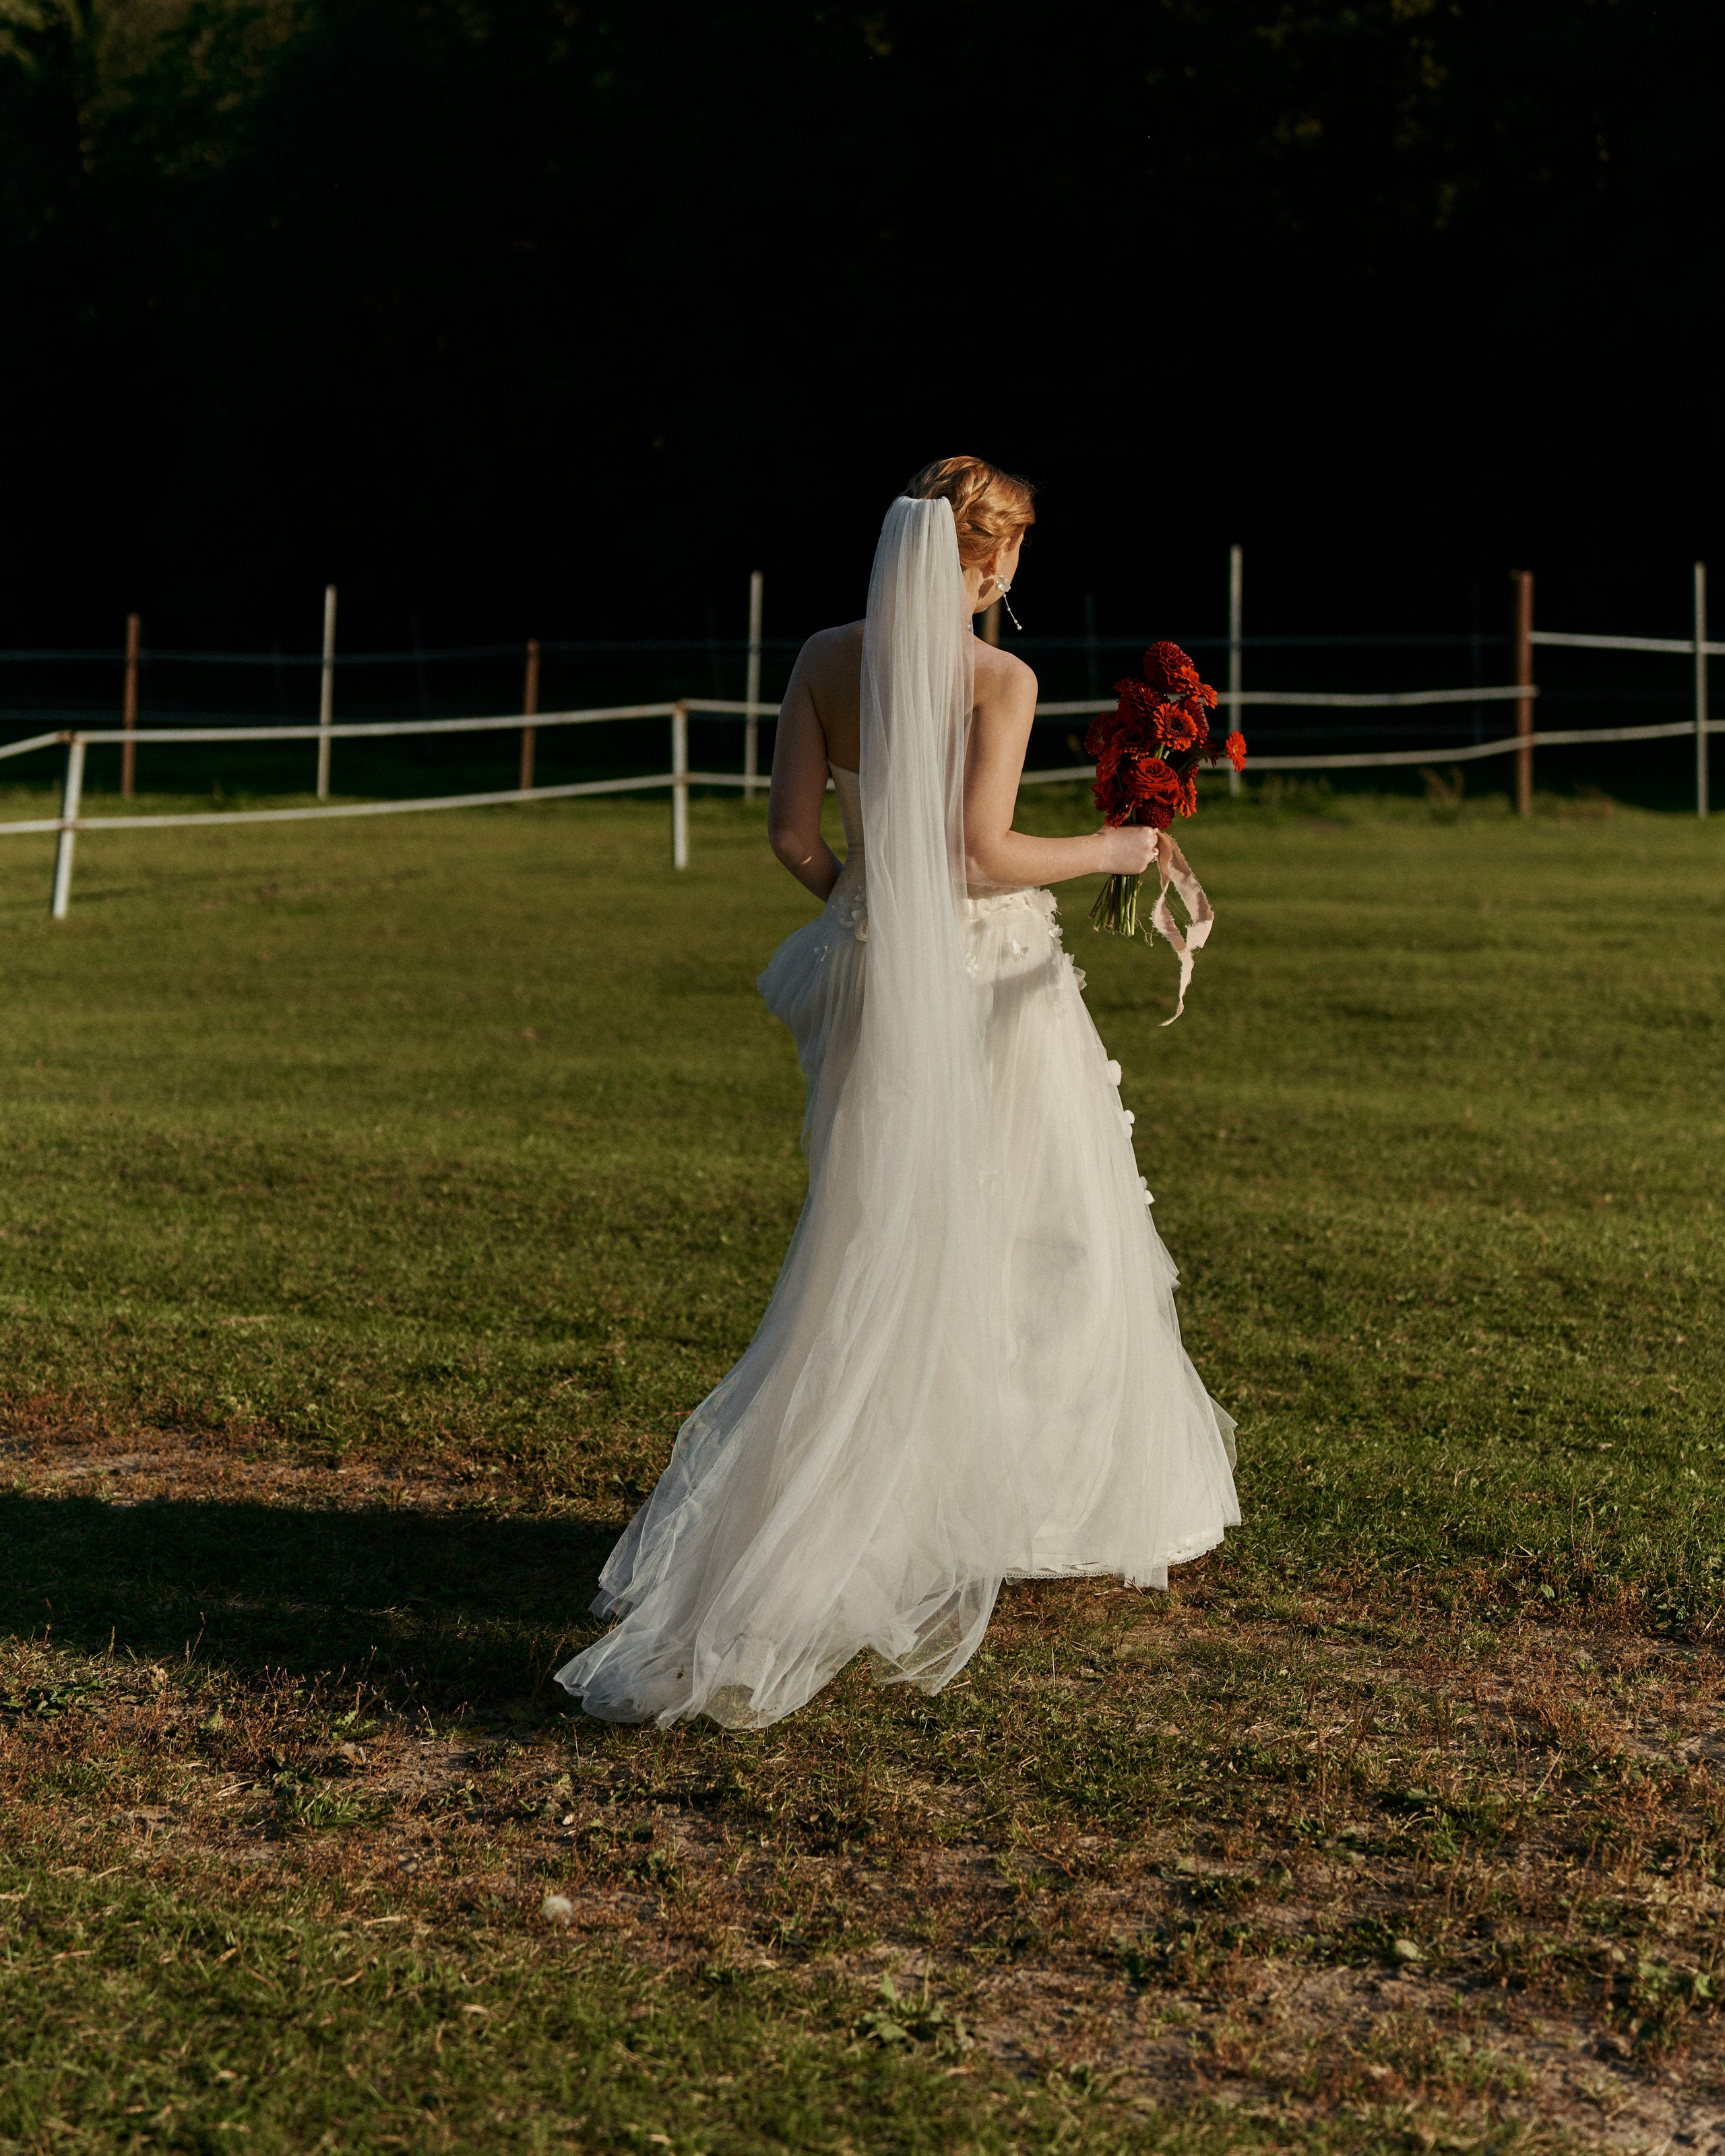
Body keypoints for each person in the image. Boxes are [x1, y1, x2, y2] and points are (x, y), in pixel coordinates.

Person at [557, 455, 1238, 1730]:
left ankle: (893, 1491)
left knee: (882, 1233)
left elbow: (790, 838)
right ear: (986, 561)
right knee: (1043, 1226)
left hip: (875, 976)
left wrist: (875, 919)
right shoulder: (1001, 679)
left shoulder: (824, 659)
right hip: (989, 984)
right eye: (1013, 552)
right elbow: (983, 853)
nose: (1013, 574)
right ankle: (1027, 1498)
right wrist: (1118, 846)